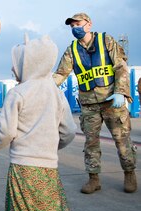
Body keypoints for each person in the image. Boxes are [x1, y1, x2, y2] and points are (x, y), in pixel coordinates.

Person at [0, 35, 76, 211]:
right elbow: (69, 131)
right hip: (49, 168)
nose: (12, 68)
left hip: (24, 167)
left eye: (16, 63)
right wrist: (50, 146)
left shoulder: (18, 93)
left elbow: (6, 132)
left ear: (29, 64)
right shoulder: (57, 93)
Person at [53, 13, 137, 194]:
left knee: (122, 141)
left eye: (78, 23)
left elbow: (120, 66)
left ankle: (129, 173)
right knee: (90, 144)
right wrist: (41, 85)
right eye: (72, 25)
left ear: (89, 24)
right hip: (89, 105)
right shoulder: (72, 50)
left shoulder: (106, 41)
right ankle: (94, 179)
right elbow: (60, 74)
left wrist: (120, 92)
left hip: (111, 102)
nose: (74, 27)